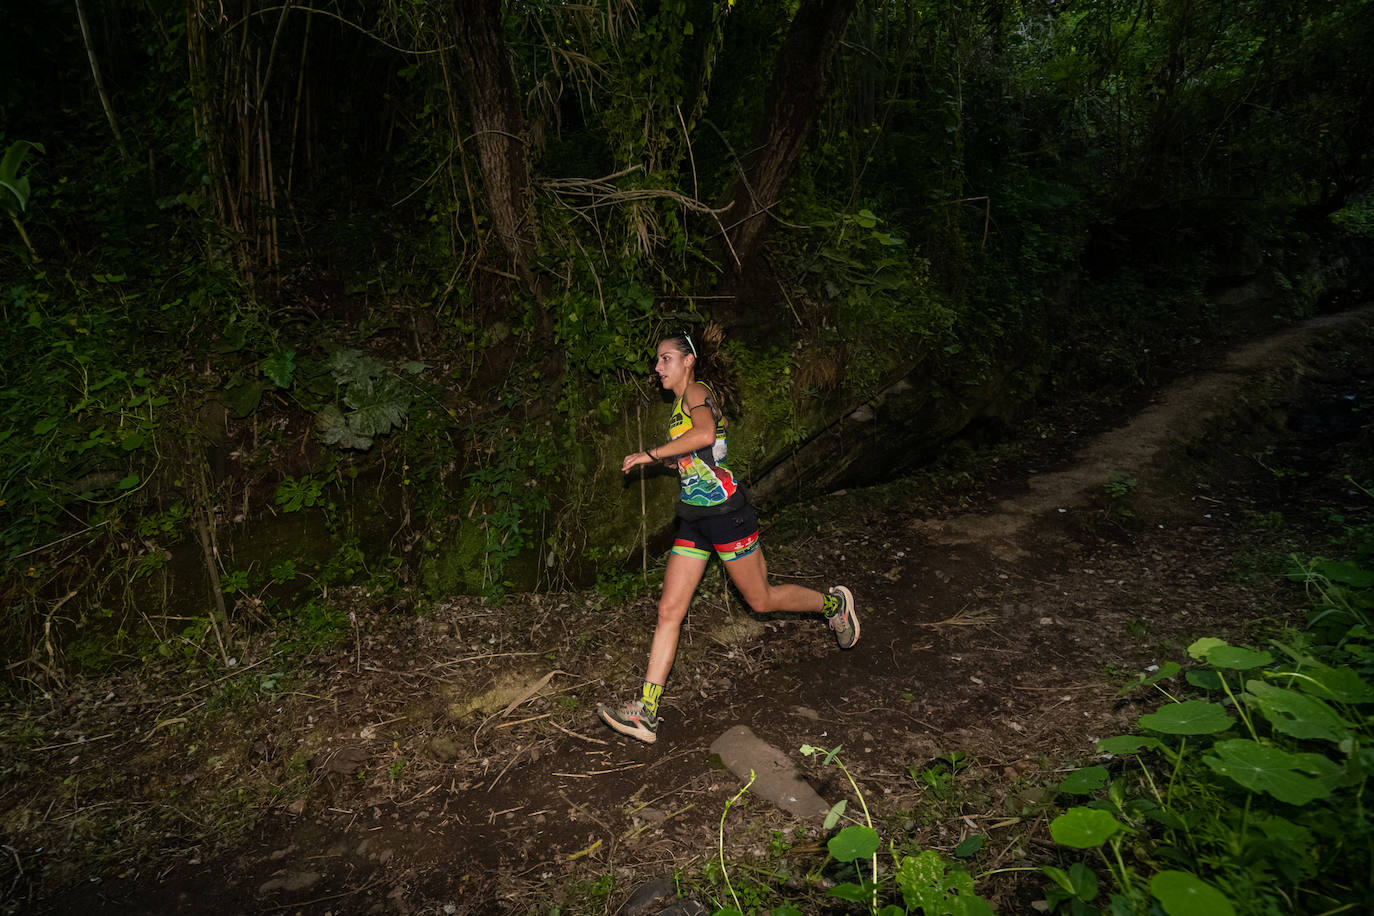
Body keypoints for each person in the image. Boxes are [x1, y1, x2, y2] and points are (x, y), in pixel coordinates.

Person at [597, 330, 860, 745]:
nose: (657, 367)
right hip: (694, 519)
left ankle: (833, 604)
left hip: (726, 515)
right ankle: (646, 711)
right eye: (657, 360)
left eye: (665, 359)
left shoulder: (697, 391)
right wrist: (673, 463)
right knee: (669, 610)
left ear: (688, 361)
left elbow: (703, 434)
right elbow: (704, 451)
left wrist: (651, 454)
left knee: (761, 600)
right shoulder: (679, 408)